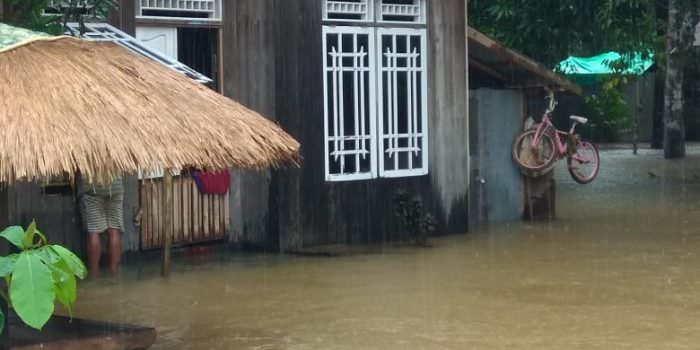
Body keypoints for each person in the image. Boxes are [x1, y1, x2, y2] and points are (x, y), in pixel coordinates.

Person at [77, 176, 124, 277]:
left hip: (93, 188)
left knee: (94, 231)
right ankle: (114, 273)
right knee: (114, 230)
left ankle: (94, 274)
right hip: (115, 186)